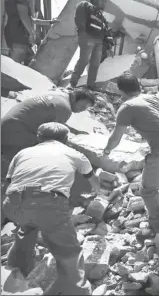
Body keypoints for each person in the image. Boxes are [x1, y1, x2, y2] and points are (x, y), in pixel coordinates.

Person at [3, 122, 101, 295]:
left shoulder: (22, 153)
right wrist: (100, 194)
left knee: (26, 229)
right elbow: (93, 180)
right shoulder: (74, 153)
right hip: (49, 203)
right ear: (66, 139)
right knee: (69, 249)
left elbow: (8, 183)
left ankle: (16, 275)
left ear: (39, 137)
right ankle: (78, 291)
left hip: (14, 205)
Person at [103, 74, 159, 238]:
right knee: (150, 161)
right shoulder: (154, 98)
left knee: (147, 191)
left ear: (120, 91)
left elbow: (116, 137)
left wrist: (106, 151)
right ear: (139, 86)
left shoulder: (127, 107)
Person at [1, 88, 96, 172]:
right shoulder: (64, 109)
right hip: (14, 133)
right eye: (83, 106)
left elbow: (48, 117)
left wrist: (74, 131)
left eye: (86, 108)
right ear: (75, 97)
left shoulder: (59, 96)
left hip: (7, 125)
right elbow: (54, 138)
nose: (83, 110)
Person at [68, 0, 113, 90]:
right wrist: (82, 34)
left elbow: (106, 31)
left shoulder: (101, 16)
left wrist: (109, 46)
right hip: (88, 37)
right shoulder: (85, 5)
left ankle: (91, 85)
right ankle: (72, 83)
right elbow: (80, 19)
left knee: (95, 64)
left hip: (99, 42)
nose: (104, 3)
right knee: (83, 61)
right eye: (103, 0)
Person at [3, 0, 56, 65]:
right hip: (20, 36)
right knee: (18, 63)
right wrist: (32, 33)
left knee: (24, 61)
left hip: (13, 36)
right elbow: (24, 17)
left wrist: (50, 22)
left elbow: (32, 20)